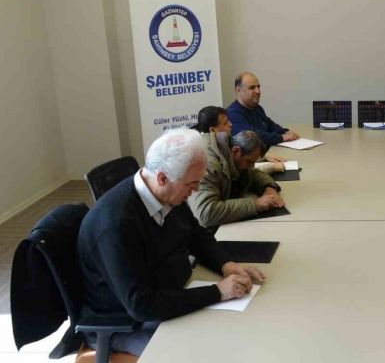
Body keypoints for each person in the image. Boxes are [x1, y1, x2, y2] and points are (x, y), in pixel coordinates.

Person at [77, 128, 266, 357]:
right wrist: (217, 292)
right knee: (215, 351)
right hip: (128, 321)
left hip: (171, 292)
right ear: (162, 178)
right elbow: (141, 304)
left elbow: (195, 234)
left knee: (242, 330)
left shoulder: (165, 192)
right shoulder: (116, 224)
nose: (196, 190)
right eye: (191, 184)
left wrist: (226, 264)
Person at [188, 130, 285, 227]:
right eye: (249, 162)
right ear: (235, 151)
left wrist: (269, 188)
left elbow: (253, 173)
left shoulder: (230, 151)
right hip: (195, 227)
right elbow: (206, 213)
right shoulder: (207, 166)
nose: (251, 166)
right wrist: (255, 205)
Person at [194, 105, 287, 174]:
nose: (231, 124)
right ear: (212, 130)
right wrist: (271, 168)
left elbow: (242, 158)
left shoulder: (223, 140)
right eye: (225, 123)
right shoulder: (207, 158)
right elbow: (238, 174)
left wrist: (261, 156)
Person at [226, 72, 299, 149]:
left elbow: (269, 125)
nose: (258, 91)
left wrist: (285, 132)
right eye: (252, 88)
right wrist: (282, 137)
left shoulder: (257, 108)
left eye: (258, 87)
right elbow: (252, 137)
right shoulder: (232, 114)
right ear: (238, 90)